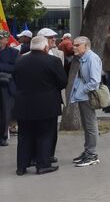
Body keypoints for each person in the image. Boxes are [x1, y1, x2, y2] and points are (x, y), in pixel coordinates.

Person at [13, 36, 67, 175]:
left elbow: (16, 80)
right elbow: (63, 82)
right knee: (45, 134)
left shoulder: (19, 60)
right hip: (46, 105)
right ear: (45, 47)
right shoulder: (53, 61)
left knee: (24, 136)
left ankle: (21, 166)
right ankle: (43, 164)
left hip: (23, 105)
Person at [70, 36, 101, 167]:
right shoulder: (84, 58)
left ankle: (92, 154)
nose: (74, 47)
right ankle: (88, 151)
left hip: (87, 97)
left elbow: (94, 81)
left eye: (77, 45)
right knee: (87, 126)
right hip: (83, 97)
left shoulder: (91, 58)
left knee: (90, 126)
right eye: (74, 45)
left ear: (86, 46)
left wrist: (83, 91)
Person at [0, 30, 18, 146]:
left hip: (6, 87)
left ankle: (3, 137)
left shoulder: (13, 52)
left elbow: (15, 68)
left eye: (1, 39)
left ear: (7, 40)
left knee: (4, 113)